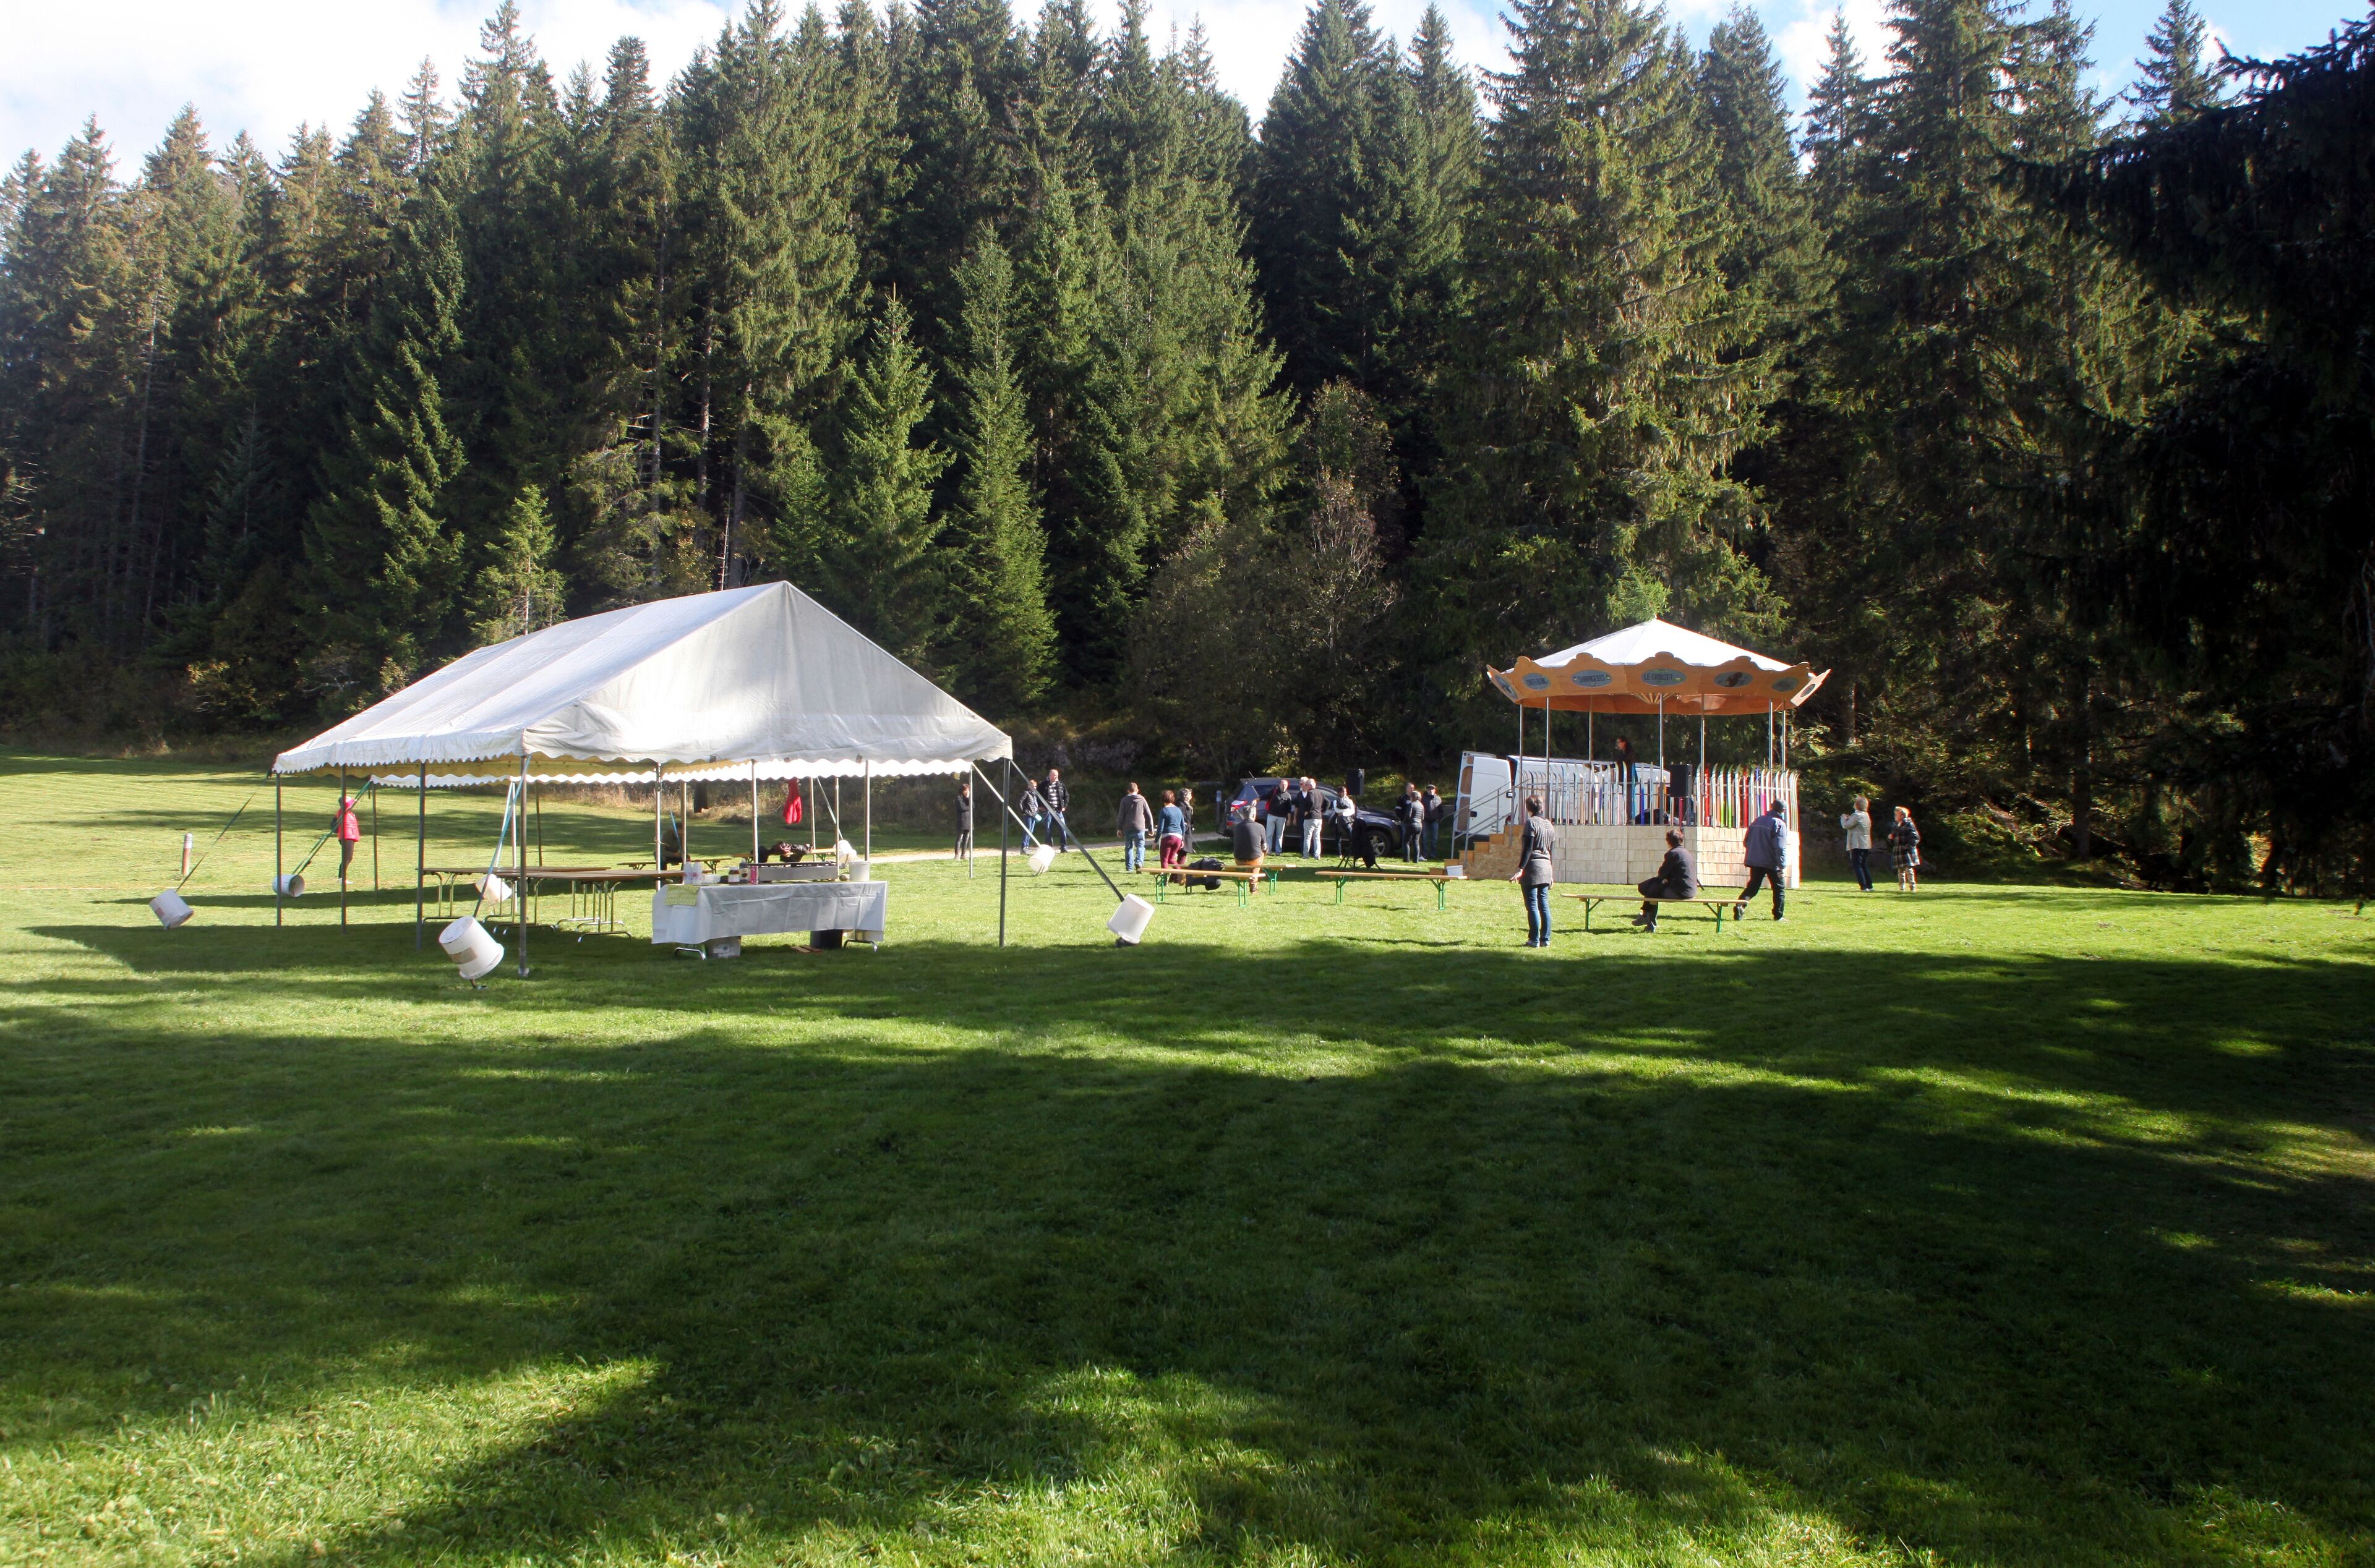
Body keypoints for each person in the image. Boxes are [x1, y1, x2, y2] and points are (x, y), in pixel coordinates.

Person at [1507, 793, 1557, 946]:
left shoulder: (1531, 823)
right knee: (1544, 905)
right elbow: (1551, 851)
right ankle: (1546, 940)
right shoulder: (1550, 825)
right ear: (1542, 807)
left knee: (1533, 906)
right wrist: (1551, 873)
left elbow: (1528, 849)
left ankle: (1534, 939)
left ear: (1528, 808)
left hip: (1533, 867)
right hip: (1546, 867)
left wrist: (1520, 869)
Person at [1735, 800, 1789, 922]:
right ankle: (1778, 915)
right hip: (1772, 862)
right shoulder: (1779, 824)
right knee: (1779, 888)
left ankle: (1741, 905)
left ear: (1771, 807)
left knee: (1753, 886)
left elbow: (1746, 841)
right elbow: (1780, 847)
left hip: (1755, 861)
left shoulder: (1757, 820)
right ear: (1783, 811)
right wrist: (1782, 864)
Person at [1635, 827, 1697, 931]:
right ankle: (1647, 918)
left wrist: (1665, 879)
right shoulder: (1685, 852)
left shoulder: (1673, 854)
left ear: (1668, 842)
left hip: (1680, 891)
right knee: (1653, 888)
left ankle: (1648, 920)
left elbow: (1662, 873)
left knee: (1652, 889)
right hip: (1690, 890)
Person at [1117, 782, 1153, 873]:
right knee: (1140, 846)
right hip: (1140, 827)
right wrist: (1151, 828)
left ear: (1128, 791)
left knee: (1129, 847)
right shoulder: (1142, 800)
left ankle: (1129, 867)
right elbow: (1149, 814)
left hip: (1128, 827)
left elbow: (1121, 815)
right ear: (1137, 790)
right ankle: (1139, 862)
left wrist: (1119, 828)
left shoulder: (1124, 800)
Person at [1839, 795, 1873, 891]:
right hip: (1866, 843)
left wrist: (1843, 818)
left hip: (1857, 843)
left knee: (1857, 865)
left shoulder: (1857, 815)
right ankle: (1869, 885)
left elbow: (1846, 826)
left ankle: (1863, 886)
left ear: (1857, 805)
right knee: (1864, 864)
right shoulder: (1866, 815)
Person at [1889, 804, 1922, 891]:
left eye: (1896, 814)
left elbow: (1915, 837)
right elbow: (1894, 840)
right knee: (1900, 871)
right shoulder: (1895, 826)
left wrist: (1908, 847)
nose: (1895, 816)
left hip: (1907, 851)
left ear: (1902, 815)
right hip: (1898, 851)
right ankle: (1902, 886)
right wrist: (1891, 838)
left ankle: (1912, 886)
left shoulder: (1908, 824)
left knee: (1909, 869)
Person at [1230, 798, 1266, 874]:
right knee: (1262, 852)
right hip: (1254, 860)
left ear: (1243, 815)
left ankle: (1246, 876)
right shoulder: (1260, 827)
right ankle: (1253, 881)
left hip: (1239, 860)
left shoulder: (1237, 827)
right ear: (1254, 815)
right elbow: (1264, 847)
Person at [333, 792, 361, 882]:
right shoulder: (343, 811)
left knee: (348, 858)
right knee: (347, 858)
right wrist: (354, 801)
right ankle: (342, 878)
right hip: (347, 836)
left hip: (349, 836)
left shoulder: (347, 812)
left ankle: (342, 878)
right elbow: (348, 804)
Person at [1157, 789, 1188, 870]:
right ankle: (1181, 875)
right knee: (1171, 859)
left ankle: (1164, 882)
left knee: (1164, 859)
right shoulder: (1178, 810)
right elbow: (1183, 826)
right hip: (1178, 837)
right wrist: (1182, 840)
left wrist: (1155, 841)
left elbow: (1160, 828)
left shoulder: (1164, 811)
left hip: (1168, 837)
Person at [1042, 769, 1071, 851]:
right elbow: (1037, 796)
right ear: (1050, 775)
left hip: (1058, 810)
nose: (1056, 777)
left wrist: (1064, 806)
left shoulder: (1061, 785)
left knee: (1063, 829)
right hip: (1048, 811)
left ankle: (1064, 848)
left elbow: (1066, 796)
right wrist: (1041, 807)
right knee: (1048, 829)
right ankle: (1049, 848)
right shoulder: (1044, 785)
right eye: (1055, 775)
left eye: (1057, 775)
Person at [1400, 783, 1426, 863]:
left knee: (1406, 842)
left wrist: (1404, 822)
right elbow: (1423, 817)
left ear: (1414, 797)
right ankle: (1416, 860)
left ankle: (1406, 859)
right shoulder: (1421, 805)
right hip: (1419, 825)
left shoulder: (1412, 804)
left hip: (1411, 825)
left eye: (1411, 797)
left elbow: (1408, 815)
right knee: (1416, 842)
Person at [1300, 777, 1324, 858]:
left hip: (1310, 817)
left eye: (1306, 785)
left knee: (1307, 837)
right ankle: (1317, 855)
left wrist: (1307, 811)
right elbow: (1327, 802)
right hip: (1319, 818)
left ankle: (1306, 855)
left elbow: (1311, 802)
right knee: (1317, 837)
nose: (1305, 786)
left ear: (1310, 785)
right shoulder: (1320, 793)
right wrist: (1322, 811)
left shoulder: (1310, 793)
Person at [1020, 779, 1047, 850]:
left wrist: (1038, 809)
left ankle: (1027, 846)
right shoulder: (1026, 793)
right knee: (1027, 831)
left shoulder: (1034, 794)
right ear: (1029, 786)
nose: (1035, 787)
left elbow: (1035, 804)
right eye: (1033, 786)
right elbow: (1020, 802)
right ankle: (1024, 847)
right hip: (1028, 814)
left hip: (1034, 815)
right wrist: (1023, 812)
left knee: (1030, 832)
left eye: (1035, 786)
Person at [1421, 785, 1444, 861]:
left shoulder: (1438, 799)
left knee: (1434, 839)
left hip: (1435, 821)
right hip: (1425, 820)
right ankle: (1424, 854)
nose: (1431, 791)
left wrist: (1439, 819)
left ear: (1435, 790)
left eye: (1432, 789)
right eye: (1429, 789)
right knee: (1424, 838)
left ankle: (1433, 854)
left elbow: (1441, 811)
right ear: (1427, 790)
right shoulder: (1423, 799)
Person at [954, 779, 974, 861]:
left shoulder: (968, 798)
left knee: (966, 839)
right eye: (966, 790)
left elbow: (972, 807)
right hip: (962, 821)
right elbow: (962, 808)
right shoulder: (959, 799)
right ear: (962, 791)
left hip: (969, 821)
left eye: (968, 790)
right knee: (960, 839)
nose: (967, 792)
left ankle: (964, 854)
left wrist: (968, 798)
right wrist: (968, 808)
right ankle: (957, 855)